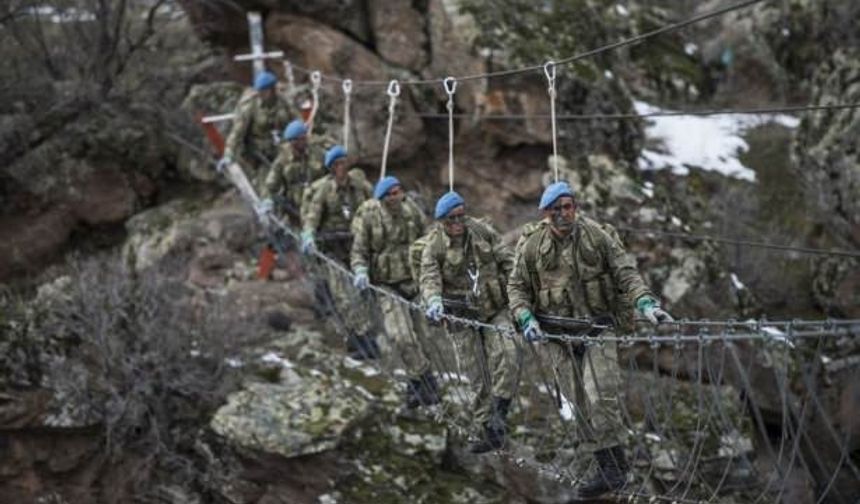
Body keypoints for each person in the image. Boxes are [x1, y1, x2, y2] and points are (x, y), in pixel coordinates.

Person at [507, 181, 673, 499]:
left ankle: (615, 469)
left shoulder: (597, 236)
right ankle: (604, 466)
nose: (564, 214)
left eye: (569, 207)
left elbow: (626, 272)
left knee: (600, 396)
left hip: (597, 330)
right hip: (557, 337)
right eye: (557, 209)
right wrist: (525, 317)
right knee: (579, 405)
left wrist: (646, 303)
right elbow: (516, 287)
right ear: (546, 213)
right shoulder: (531, 246)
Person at [419, 191, 520, 453]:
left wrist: (521, 297)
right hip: (461, 317)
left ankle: (499, 414)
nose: (458, 223)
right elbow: (429, 279)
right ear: (441, 221)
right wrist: (433, 301)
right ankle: (486, 429)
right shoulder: (434, 247)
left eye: (461, 216)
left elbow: (508, 262)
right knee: (476, 374)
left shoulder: (483, 232)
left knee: (508, 356)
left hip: (495, 310)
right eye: (452, 218)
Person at [350, 176, 440, 409]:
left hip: (414, 283)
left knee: (424, 339)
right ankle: (425, 378)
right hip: (387, 286)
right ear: (381, 198)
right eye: (390, 194)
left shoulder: (412, 211)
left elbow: (428, 240)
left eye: (398, 192)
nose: (395, 197)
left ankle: (416, 384)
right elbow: (359, 250)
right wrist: (360, 270)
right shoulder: (370, 217)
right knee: (401, 336)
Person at [301, 145, 376, 359]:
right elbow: (312, 216)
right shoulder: (324, 191)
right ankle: (358, 338)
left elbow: (374, 205)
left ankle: (365, 332)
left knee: (365, 290)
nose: (342, 168)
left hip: (356, 245)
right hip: (332, 250)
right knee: (344, 295)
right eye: (337, 165)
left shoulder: (360, 186)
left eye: (344, 162)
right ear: (331, 169)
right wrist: (308, 234)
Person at [219, 70, 296, 188]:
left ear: (273, 90)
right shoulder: (250, 106)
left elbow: (296, 122)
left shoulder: (284, 102)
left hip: (283, 147)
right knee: (266, 180)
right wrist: (228, 155)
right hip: (260, 153)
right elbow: (237, 133)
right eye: (260, 91)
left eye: (266, 91)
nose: (262, 94)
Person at [261, 119, 330, 226]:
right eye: (299, 140)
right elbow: (270, 184)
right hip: (294, 211)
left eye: (304, 137)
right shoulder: (283, 159)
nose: (304, 141)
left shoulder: (318, 154)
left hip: (319, 209)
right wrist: (267, 200)